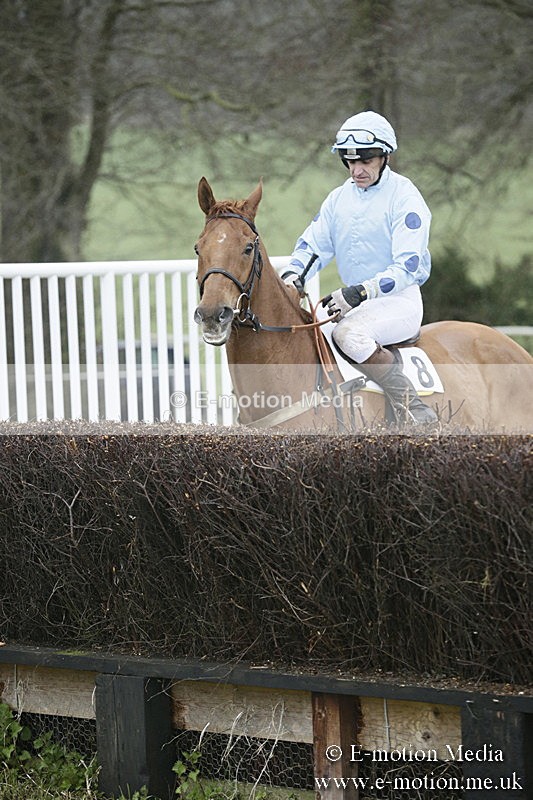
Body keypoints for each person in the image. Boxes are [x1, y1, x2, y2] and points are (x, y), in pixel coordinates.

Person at [282, 110, 438, 425]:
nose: (357, 170)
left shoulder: (405, 196)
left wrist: (360, 292)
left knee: (349, 335)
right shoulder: (338, 199)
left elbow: (407, 267)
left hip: (399, 302)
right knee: (307, 333)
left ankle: (415, 410)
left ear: (385, 157)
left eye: (365, 161)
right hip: (355, 302)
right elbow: (313, 247)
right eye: (351, 162)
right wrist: (292, 278)